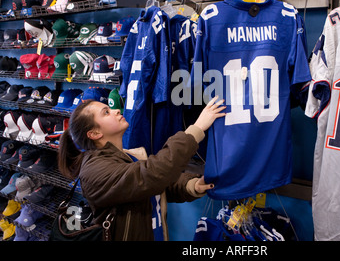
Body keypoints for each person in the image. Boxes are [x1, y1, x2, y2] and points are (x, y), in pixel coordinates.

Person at [57, 96, 226, 241]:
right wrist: (196, 129)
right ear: (94, 134)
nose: (116, 111)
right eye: (106, 112)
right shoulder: (94, 171)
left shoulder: (129, 156)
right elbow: (153, 175)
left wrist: (191, 186)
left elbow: (156, 188)